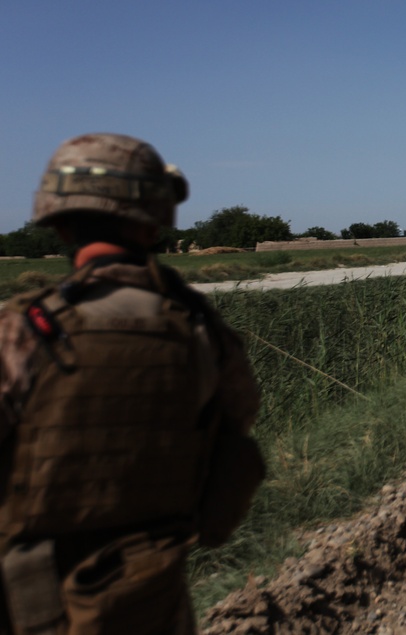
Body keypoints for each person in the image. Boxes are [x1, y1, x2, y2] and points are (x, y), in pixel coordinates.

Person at [0, 133, 263, 635]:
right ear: (155, 219)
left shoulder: (23, 329)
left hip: (24, 599)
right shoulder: (197, 327)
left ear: (58, 221)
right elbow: (237, 424)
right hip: (147, 596)